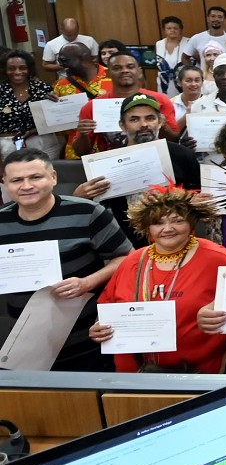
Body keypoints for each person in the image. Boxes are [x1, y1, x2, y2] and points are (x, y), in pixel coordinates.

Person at [0, 148, 131, 371]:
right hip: (26, 341)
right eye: (16, 180)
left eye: (35, 177)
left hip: (88, 337)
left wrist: (87, 282)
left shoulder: (88, 212)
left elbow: (126, 257)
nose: (26, 186)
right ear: (4, 183)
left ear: (53, 177)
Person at [89, 186, 226, 373]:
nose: (168, 229)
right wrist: (98, 327)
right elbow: (107, 306)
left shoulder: (218, 258)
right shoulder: (132, 262)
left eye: (177, 221)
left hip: (203, 374)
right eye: (158, 223)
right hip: (139, 375)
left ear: (191, 223)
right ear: (147, 228)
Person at [72, 93, 202, 244]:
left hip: (178, 241)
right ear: (122, 125)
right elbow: (98, 209)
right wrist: (79, 197)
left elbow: (200, 196)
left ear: (160, 122)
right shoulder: (107, 162)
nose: (144, 124)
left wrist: (178, 197)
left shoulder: (182, 155)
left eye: (150, 118)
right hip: (129, 245)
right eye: (134, 119)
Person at [0, 49, 61, 159]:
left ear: (29, 69)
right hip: (7, 145)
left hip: (42, 141)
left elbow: (56, 120)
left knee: (45, 174)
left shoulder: (43, 88)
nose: (17, 72)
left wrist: (56, 105)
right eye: (12, 68)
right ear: (5, 70)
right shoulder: (1, 90)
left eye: (23, 68)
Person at [154, 15, 190, 98]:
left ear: (180, 30)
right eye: (169, 28)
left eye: (175, 28)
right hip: (163, 84)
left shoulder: (189, 42)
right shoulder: (159, 44)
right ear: (164, 30)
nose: (172, 30)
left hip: (183, 84)